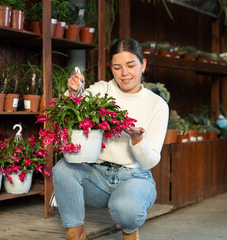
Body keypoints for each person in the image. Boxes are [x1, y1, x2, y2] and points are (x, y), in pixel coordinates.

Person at [52, 38, 169, 240]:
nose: (124, 73)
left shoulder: (157, 104)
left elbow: (150, 161)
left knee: (125, 208)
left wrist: (137, 140)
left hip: (135, 178)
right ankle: (75, 235)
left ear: (143, 65)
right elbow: (69, 113)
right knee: (63, 168)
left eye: (131, 66)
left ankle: (130, 229)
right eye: (117, 67)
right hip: (97, 177)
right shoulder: (101, 90)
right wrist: (72, 93)